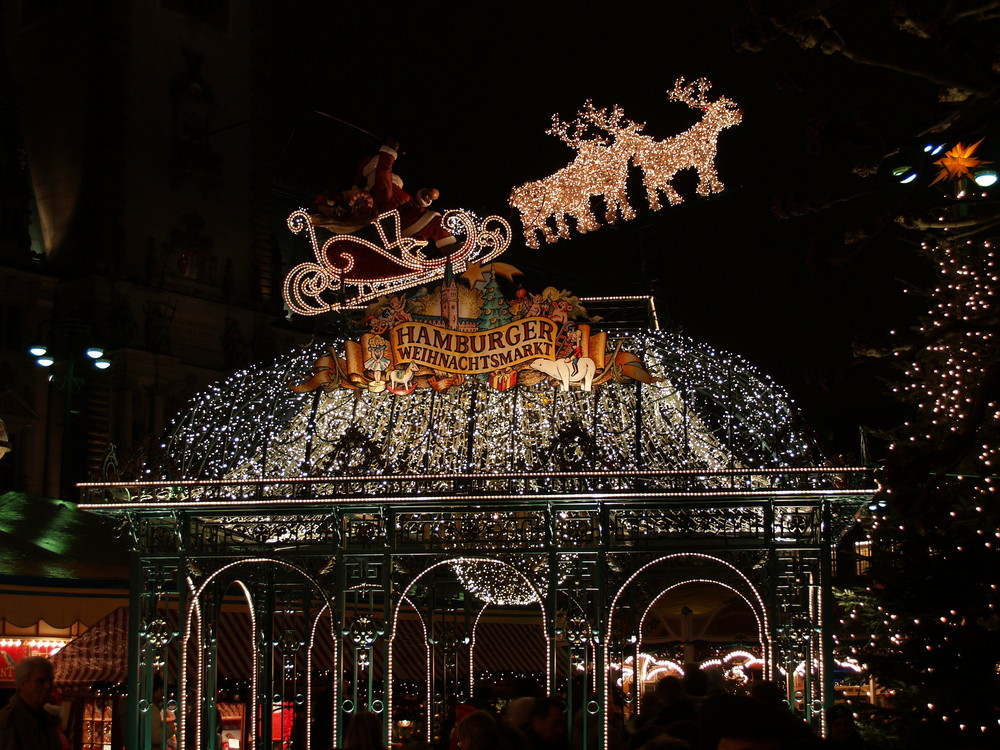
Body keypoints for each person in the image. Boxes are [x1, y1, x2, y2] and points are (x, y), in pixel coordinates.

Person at [356, 138, 458, 253]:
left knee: (436, 222)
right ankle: (449, 248)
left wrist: (423, 196)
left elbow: (407, 201)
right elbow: (383, 171)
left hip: (412, 217)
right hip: (406, 222)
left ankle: (446, 247)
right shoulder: (380, 189)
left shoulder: (394, 189)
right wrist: (389, 152)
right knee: (436, 221)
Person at [0, 656, 62, 750]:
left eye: (50, 680)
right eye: (40, 681)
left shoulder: (48, 719)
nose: (48, 686)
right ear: (22, 683)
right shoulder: (6, 723)